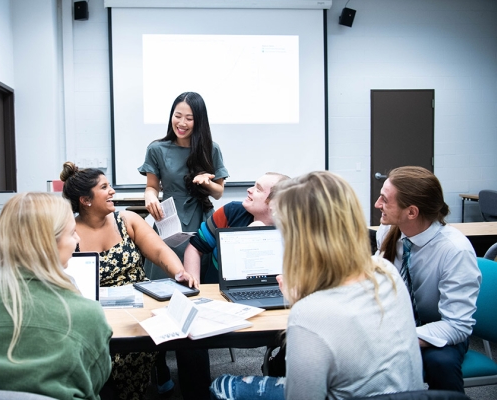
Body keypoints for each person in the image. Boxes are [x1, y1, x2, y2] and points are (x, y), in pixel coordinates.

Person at [211, 171, 424, 400]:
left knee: (221, 386)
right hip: (408, 394)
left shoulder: (308, 314)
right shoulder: (385, 270)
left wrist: (301, 302)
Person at [0, 192, 112, 399]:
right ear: (48, 243)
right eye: (72, 233)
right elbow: (94, 384)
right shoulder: (88, 314)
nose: (78, 239)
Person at [60, 162, 197, 400]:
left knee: (146, 343)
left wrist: (179, 272)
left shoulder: (127, 219)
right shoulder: (69, 232)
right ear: (86, 200)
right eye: (105, 187)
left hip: (140, 302)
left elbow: (160, 252)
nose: (112, 191)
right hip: (96, 310)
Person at [138, 92, 228, 398]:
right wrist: (150, 197)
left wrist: (207, 182)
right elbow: (152, 187)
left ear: (198, 121)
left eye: (189, 118)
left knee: (197, 295)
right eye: (178, 115)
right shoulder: (157, 148)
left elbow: (218, 193)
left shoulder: (210, 148)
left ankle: (194, 372)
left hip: (201, 228)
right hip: (168, 225)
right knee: (161, 294)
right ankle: (159, 364)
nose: (182, 122)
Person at [375, 166, 481, 393]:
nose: (377, 204)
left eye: (384, 199)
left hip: (442, 329)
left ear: (411, 212)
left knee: (440, 363)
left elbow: (457, 326)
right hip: (397, 324)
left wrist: (397, 337)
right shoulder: (386, 232)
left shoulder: (454, 251)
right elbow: (377, 281)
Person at [184, 172, 288, 284]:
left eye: (258, 189)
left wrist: (256, 233)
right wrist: (194, 283)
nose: (249, 190)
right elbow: (195, 247)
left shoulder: (294, 230)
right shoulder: (231, 212)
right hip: (216, 292)